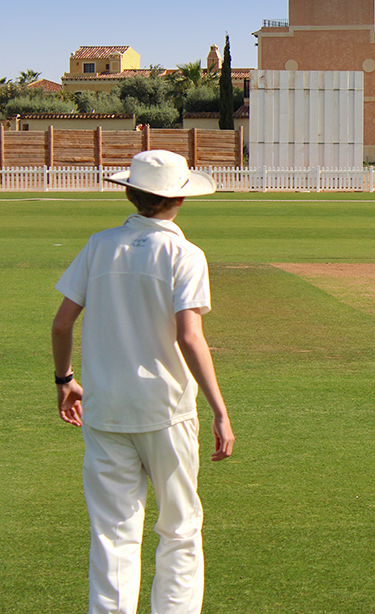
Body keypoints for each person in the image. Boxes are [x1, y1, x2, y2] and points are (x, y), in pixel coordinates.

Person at [51, 149, 235, 614]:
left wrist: (64, 380)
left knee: (113, 533)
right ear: (178, 200)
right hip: (166, 409)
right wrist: (220, 409)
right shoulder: (185, 254)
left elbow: (61, 323)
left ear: (131, 194)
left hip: (106, 407)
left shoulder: (98, 244)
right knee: (179, 528)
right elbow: (189, 335)